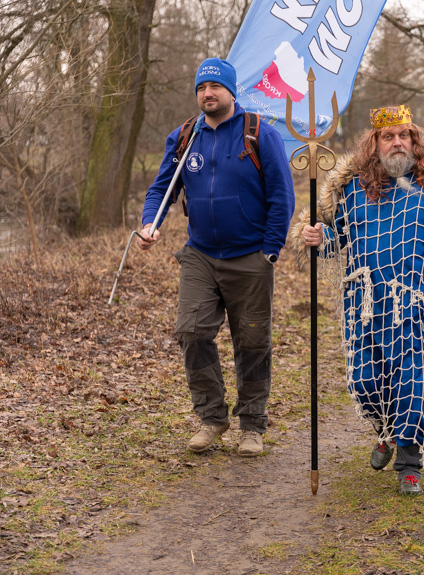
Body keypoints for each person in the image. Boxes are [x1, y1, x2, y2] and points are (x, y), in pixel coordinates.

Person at [296, 105, 424, 495]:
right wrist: (317, 238)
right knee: (364, 383)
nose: (396, 143)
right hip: (363, 308)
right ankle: (386, 431)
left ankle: (410, 464)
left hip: (415, 307)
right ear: (374, 143)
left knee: (412, 384)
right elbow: (338, 239)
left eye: (403, 136)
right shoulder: (355, 189)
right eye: (387, 136)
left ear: (414, 141)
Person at [137, 58, 295, 457]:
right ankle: (212, 418)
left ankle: (252, 426)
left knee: (252, 341)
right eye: (201, 88)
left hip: (251, 256)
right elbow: (161, 189)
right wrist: (149, 223)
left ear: (231, 91)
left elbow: (282, 196)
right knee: (191, 331)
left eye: (215, 87)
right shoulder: (185, 136)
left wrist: (271, 251)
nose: (207, 94)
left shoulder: (259, 133)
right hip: (200, 254)